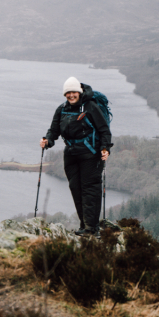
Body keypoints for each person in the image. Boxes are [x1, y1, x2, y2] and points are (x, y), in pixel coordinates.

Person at [39, 77, 112, 237]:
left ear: (79, 92)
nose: (71, 95)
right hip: (71, 155)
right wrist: (47, 140)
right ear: (65, 94)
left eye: (74, 92)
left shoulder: (90, 107)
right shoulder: (62, 109)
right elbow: (54, 131)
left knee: (90, 189)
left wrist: (105, 148)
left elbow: (104, 130)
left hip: (91, 155)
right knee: (76, 189)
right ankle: (84, 225)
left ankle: (92, 229)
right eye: (68, 93)